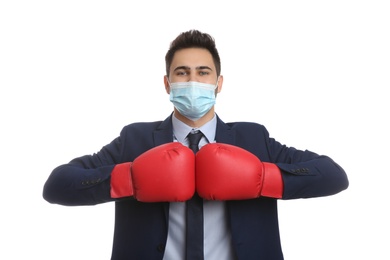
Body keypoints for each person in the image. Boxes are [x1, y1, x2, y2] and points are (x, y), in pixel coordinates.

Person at [43, 29, 349, 260]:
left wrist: (263, 179)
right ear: (167, 84)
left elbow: (333, 176)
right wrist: (128, 179)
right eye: (182, 73)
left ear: (219, 83)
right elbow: (57, 185)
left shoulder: (252, 138)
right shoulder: (134, 140)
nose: (193, 80)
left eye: (203, 73)